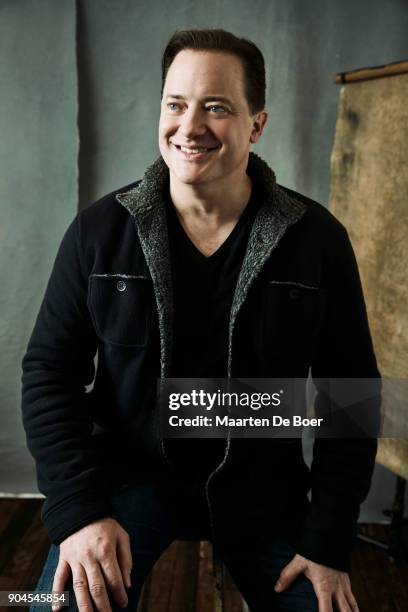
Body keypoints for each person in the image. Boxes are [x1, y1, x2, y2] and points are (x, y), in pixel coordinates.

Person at [22, 28, 380, 612]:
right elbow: (47, 373)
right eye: (176, 104)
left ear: (257, 124)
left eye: (216, 107)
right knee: (44, 609)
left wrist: (328, 541)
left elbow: (353, 397)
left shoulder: (317, 240)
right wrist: (80, 513)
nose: (190, 127)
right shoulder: (98, 232)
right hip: (129, 483)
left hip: (264, 490)